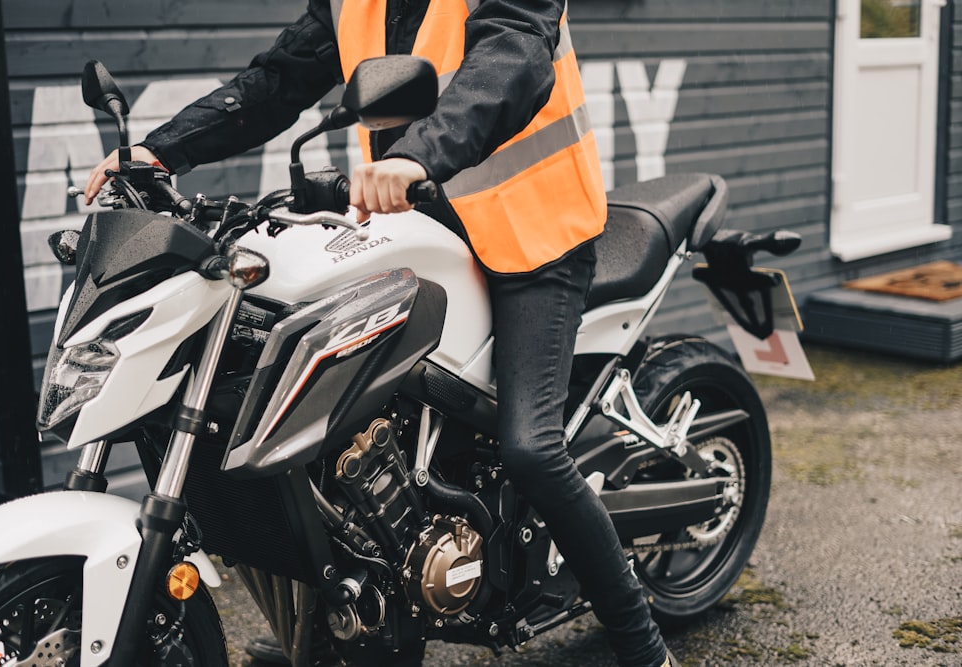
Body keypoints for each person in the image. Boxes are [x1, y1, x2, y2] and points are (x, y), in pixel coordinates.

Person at [86, 1, 677, 665]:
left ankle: (645, 647)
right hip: (418, 229)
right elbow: (278, 80)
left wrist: (417, 156)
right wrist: (161, 149)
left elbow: (513, 56)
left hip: (531, 233)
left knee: (532, 448)